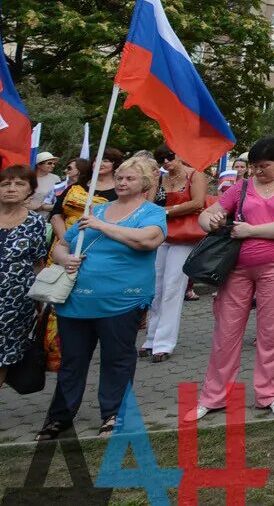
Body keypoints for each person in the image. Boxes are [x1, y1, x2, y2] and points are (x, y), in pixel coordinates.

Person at [35, 156, 166, 440]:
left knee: (117, 358)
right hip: (77, 299)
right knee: (72, 359)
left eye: (129, 178)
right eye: (119, 177)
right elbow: (63, 244)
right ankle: (60, 417)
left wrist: (102, 226)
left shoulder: (151, 212)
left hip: (122, 300)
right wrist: (65, 259)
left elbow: (147, 241)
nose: (121, 182)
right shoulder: (97, 210)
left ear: (145, 183)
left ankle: (113, 413)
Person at [191, 137, 274, 420]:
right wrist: (212, 221)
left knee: (272, 333)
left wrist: (250, 231)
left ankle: (271, 393)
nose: (257, 172)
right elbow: (208, 215)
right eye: (253, 167)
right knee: (226, 332)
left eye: (264, 166)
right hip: (236, 269)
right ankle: (213, 396)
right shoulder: (241, 187)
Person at [139, 150, 209, 362]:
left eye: (170, 157)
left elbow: (198, 203)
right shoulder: (159, 178)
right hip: (161, 235)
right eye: (162, 160)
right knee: (157, 287)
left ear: (180, 155)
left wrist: (167, 211)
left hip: (185, 236)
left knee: (172, 286)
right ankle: (151, 338)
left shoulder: (195, 175)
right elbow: (149, 205)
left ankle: (164, 342)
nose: (167, 163)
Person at [0, 165, 48, 391]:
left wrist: (40, 301)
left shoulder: (35, 223)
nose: (11, 188)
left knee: (4, 356)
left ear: (30, 190)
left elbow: (38, 263)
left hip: (15, 304)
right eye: (5, 183)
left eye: (19, 184)